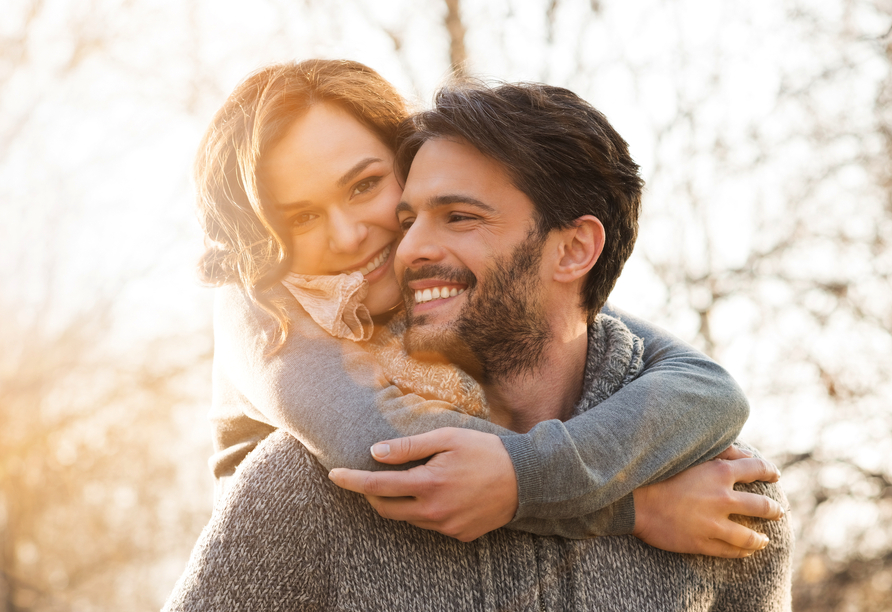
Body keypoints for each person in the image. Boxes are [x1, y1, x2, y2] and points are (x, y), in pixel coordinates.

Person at [164, 80, 792, 611]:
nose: (359, 235)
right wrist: (635, 508)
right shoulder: (269, 331)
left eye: (367, 187)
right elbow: (389, 456)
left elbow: (701, 382)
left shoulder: (729, 496)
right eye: (299, 216)